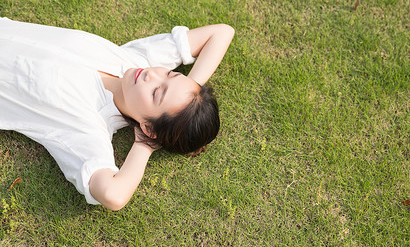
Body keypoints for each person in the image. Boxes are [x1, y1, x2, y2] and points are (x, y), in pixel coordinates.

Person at [0, 17, 235, 210]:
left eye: (156, 93)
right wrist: (189, 95)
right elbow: (222, 32)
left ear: (148, 127)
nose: (151, 76)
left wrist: (145, 144)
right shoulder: (136, 61)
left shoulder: (88, 124)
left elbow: (114, 196)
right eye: (171, 75)